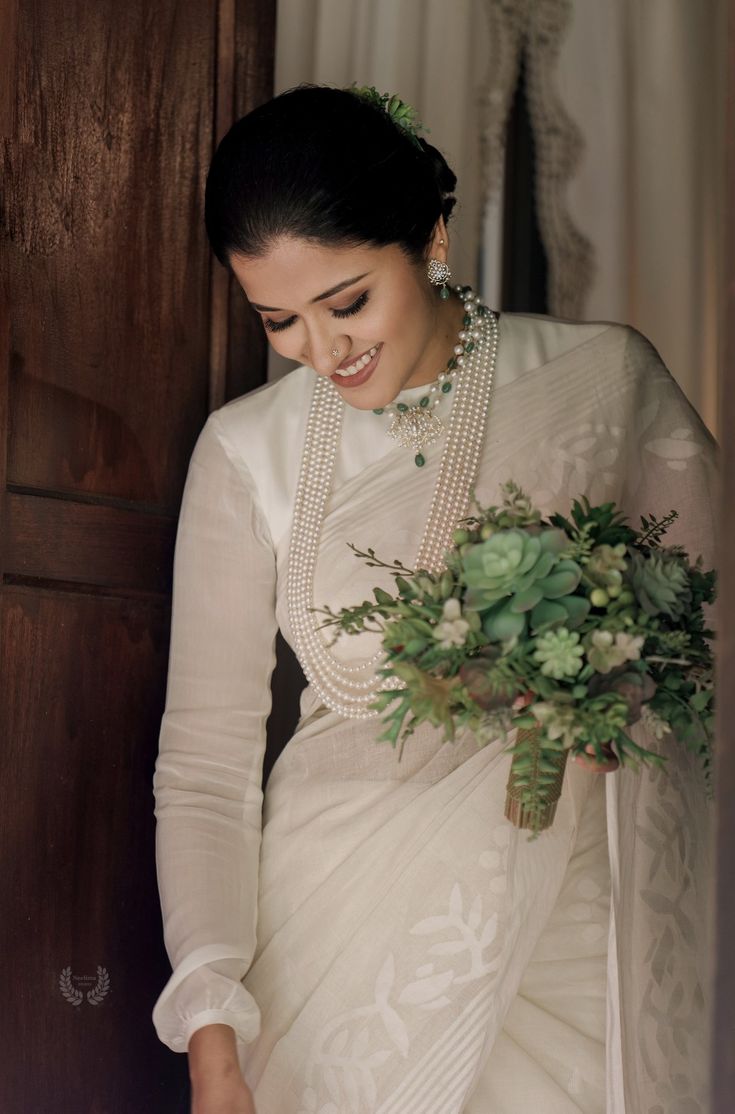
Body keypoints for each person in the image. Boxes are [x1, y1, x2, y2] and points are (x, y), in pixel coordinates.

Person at [151, 85, 717, 1114]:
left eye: (349, 301)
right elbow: (202, 768)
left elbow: (706, 656)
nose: (325, 352)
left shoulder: (606, 385)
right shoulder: (246, 451)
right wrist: (211, 1027)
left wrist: (612, 695)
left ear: (432, 236)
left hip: (563, 944)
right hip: (334, 960)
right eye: (279, 319)